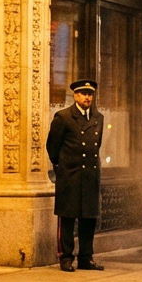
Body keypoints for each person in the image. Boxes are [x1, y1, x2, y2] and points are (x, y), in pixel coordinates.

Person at [46, 79, 105, 271]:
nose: (87, 97)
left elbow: (98, 144)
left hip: (90, 175)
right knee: (68, 217)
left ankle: (86, 258)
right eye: (83, 94)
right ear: (75, 96)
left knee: (89, 218)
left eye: (90, 94)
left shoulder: (98, 117)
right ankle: (66, 257)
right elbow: (52, 147)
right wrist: (61, 167)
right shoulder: (63, 117)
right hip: (70, 175)